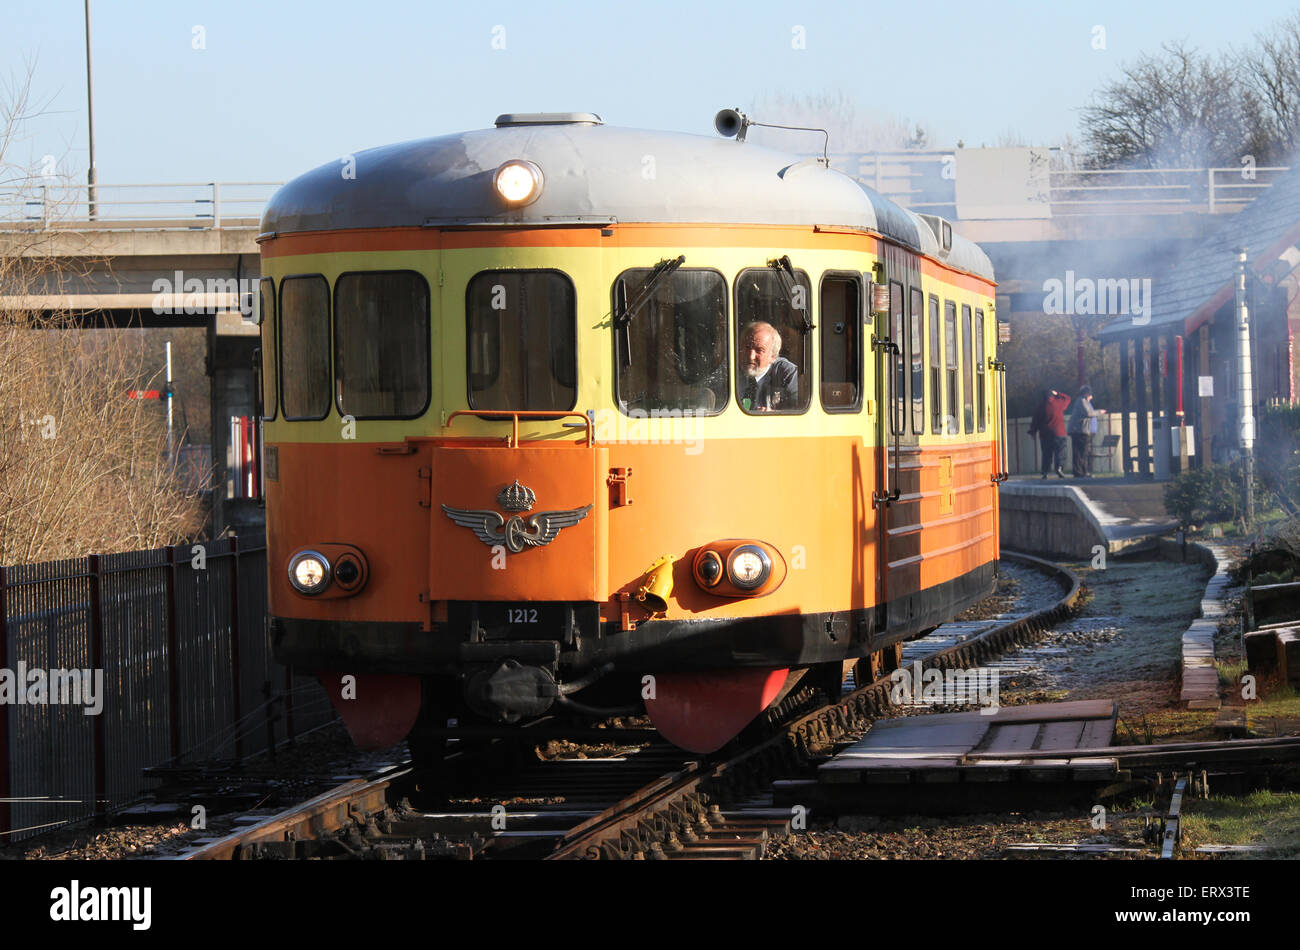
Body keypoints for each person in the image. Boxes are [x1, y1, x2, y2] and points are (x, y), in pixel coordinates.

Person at [738, 321, 798, 412]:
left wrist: (773, 415)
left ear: (773, 356)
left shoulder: (788, 373)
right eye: (747, 347)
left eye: (759, 350)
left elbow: (799, 414)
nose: (751, 356)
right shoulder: (730, 370)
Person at [1027, 387, 1071, 478]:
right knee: (1060, 452)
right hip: (1059, 433)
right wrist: (1058, 393)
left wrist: (1032, 431)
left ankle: (1045, 471)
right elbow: (1067, 398)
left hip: (1045, 434)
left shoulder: (1040, 406)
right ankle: (1059, 468)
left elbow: (1035, 421)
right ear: (1052, 395)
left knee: (1046, 454)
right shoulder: (1059, 403)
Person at [1067, 384, 1106, 477]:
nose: (1091, 396)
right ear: (1087, 394)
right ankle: (1080, 472)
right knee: (1081, 452)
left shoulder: (1085, 401)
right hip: (1080, 431)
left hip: (1083, 431)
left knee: (1083, 452)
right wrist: (1099, 412)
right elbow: (1088, 413)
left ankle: (1082, 472)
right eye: (1089, 394)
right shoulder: (1082, 401)